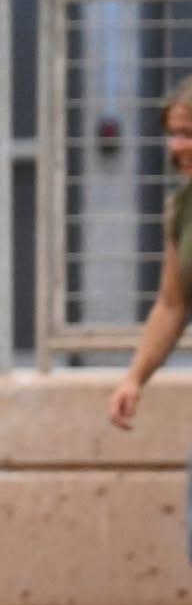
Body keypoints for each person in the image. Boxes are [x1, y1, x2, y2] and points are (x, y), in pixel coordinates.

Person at [106, 78, 192, 435]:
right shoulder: (181, 209)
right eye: (173, 134)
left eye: (188, 134)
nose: (177, 146)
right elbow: (172, 304)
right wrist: (134, 378)